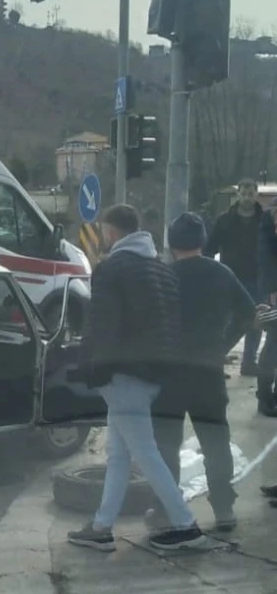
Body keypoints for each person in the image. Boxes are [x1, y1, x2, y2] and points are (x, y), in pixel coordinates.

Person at [68, 205, 207, 553]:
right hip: (152, 372)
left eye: (104, 230)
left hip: (123, 373)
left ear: (112, 231)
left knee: (144, 453)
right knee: (118, 454)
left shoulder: (111, 269)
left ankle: (185, 524)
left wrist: (93, 368)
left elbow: (103, 324)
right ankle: (101, 527)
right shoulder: (160, 268)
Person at [148, 212, 255, 533]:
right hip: (208, 372)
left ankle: (167, 510)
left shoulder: (163, 276)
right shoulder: (222, 273)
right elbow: (248, 313)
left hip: (169, 375)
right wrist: (224, 345)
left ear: (171, 243)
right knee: (216, 442)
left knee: (166, 444)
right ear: (203, 241)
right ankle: (224, 509)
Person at [204, 178, 264, 376]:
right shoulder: (225, 220)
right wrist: (210, 272)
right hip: (230, 277)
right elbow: (210, 247)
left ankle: (249, 362)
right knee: (228, 321)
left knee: (256, 320)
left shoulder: (264, 220)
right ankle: (216, 359)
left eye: (251, 193)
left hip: (257, 278)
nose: (247, 198)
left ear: (256, 195)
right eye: (244, 193)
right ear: (238, 194)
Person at [257, 199, 277, 416]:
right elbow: (267, 259)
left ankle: (267, 396)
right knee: (273, 343)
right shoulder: (271, 217)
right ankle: (264, 397)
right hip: (274, 289)